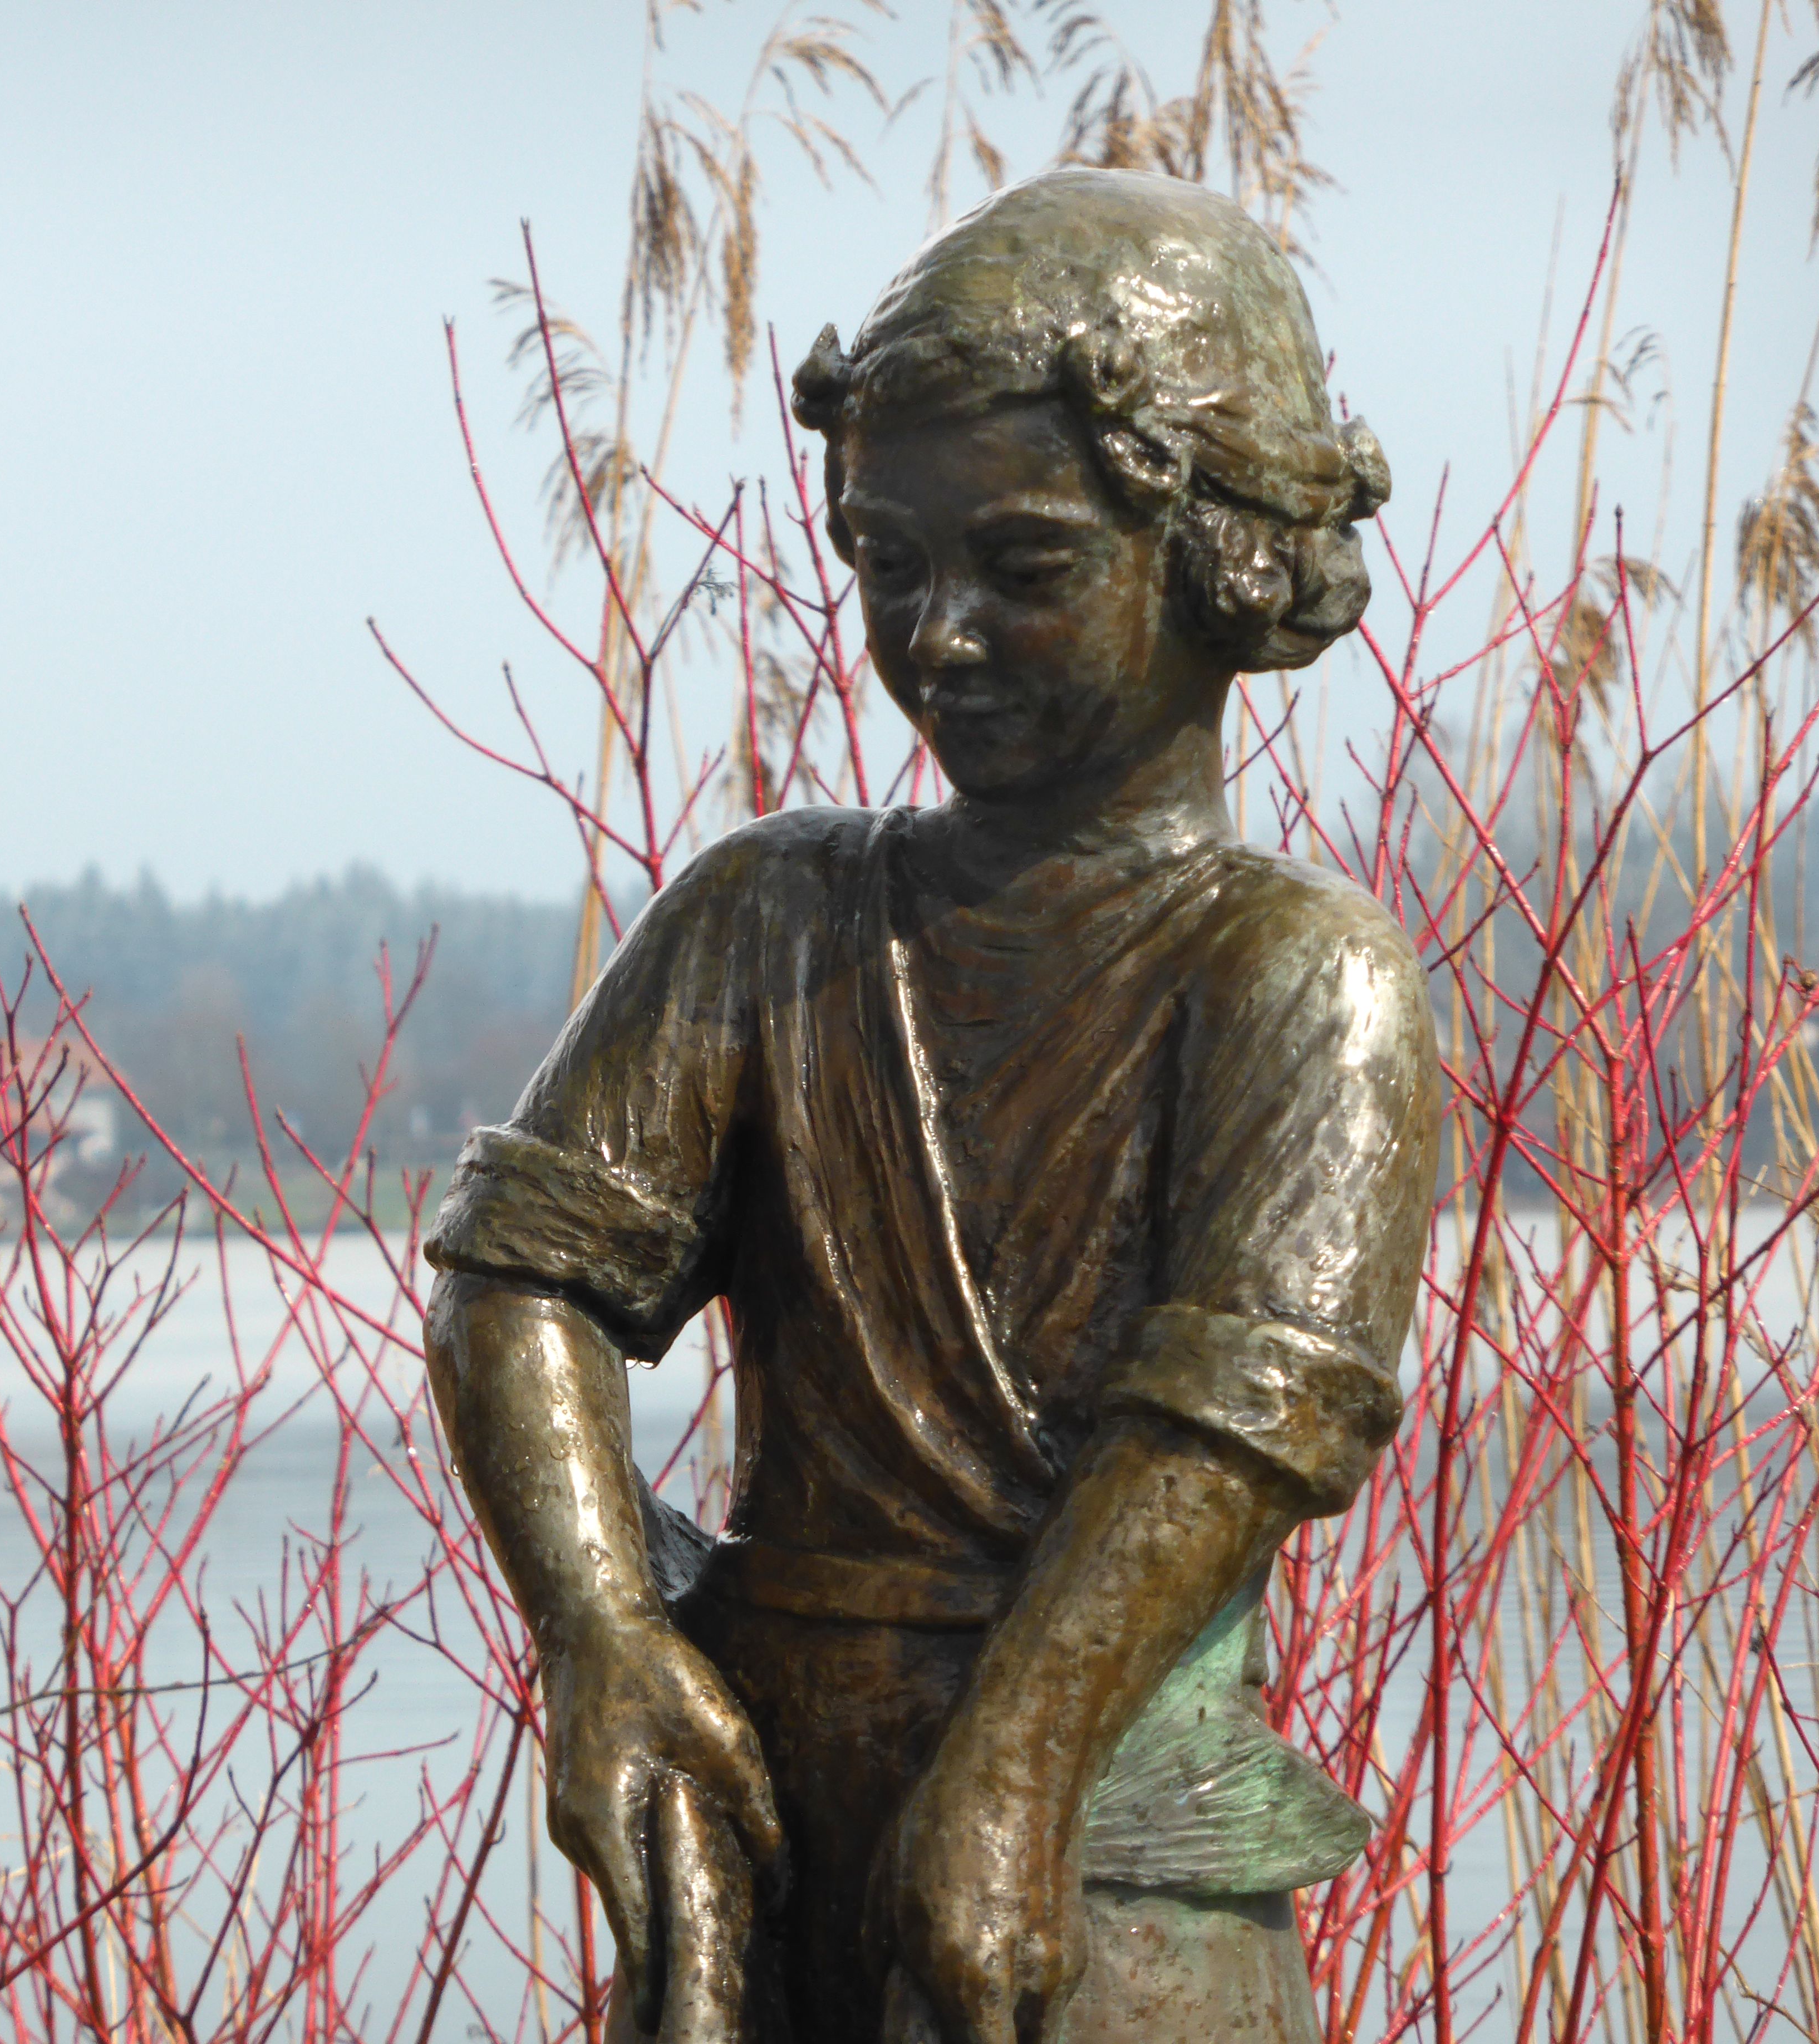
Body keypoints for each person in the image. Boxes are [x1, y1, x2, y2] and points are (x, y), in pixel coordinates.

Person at [422, 168, 1440, 2044]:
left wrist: (1020, 1773)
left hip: (1110, 1851)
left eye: (1027, 569)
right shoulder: (769, 920)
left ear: (1219, 557)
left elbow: (1225, 1434)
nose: (939, 633)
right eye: (890, 563)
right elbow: (526, 1279)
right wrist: (603, 1631)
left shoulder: (1301, 977)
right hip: (759, 1817)